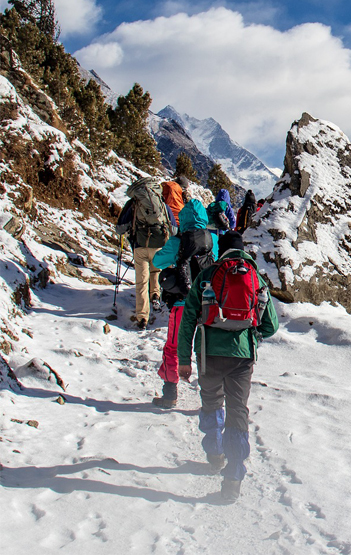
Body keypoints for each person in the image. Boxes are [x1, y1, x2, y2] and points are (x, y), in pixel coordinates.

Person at [177, 230, 278, 503]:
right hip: (242, 357)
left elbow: (187, 319)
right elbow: (271, 326)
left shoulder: (207, 275)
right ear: (243, 250)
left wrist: (184, 359)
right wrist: (251, 334)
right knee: (237, 412)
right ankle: (233, 479)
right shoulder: (255, 278)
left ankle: (214, 454)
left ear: (222, 250)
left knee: (211, 402)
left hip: (209, 353)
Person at [150, 200, 218, 409]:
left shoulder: (177, 241)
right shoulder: (213, 239)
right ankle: (212, 399)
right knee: (210, 349)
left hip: (182, 303)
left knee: (174, 347)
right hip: (208, 304)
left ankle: (170, 393)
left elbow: (157, 262)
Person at [116, 177, 176, 330]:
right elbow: (173, 227)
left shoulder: (134, 203)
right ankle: (155, 295)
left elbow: (121, 227)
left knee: (141, 281)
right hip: (159, 244)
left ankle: (142, 316)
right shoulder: (161, 202)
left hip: (140, 245)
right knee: (156, 270)